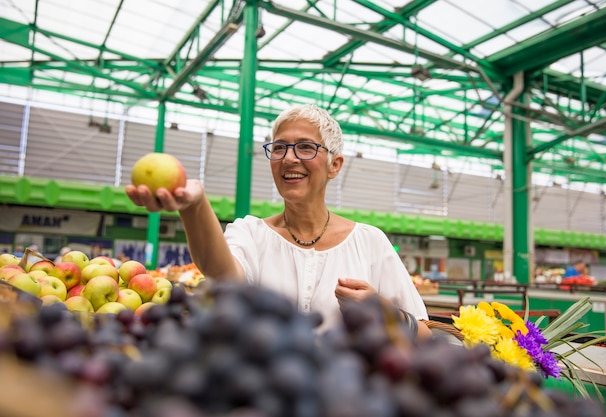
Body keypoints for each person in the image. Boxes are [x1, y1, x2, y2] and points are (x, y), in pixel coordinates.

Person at [125, 104, 432, 338]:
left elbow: (423, 333)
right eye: (280, 147)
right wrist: (194, 206)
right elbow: (223, 275)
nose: (288, 158)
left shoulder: (369, 242)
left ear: (334, 165)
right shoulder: (252, 234)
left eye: (305, 147)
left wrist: (382, 311)